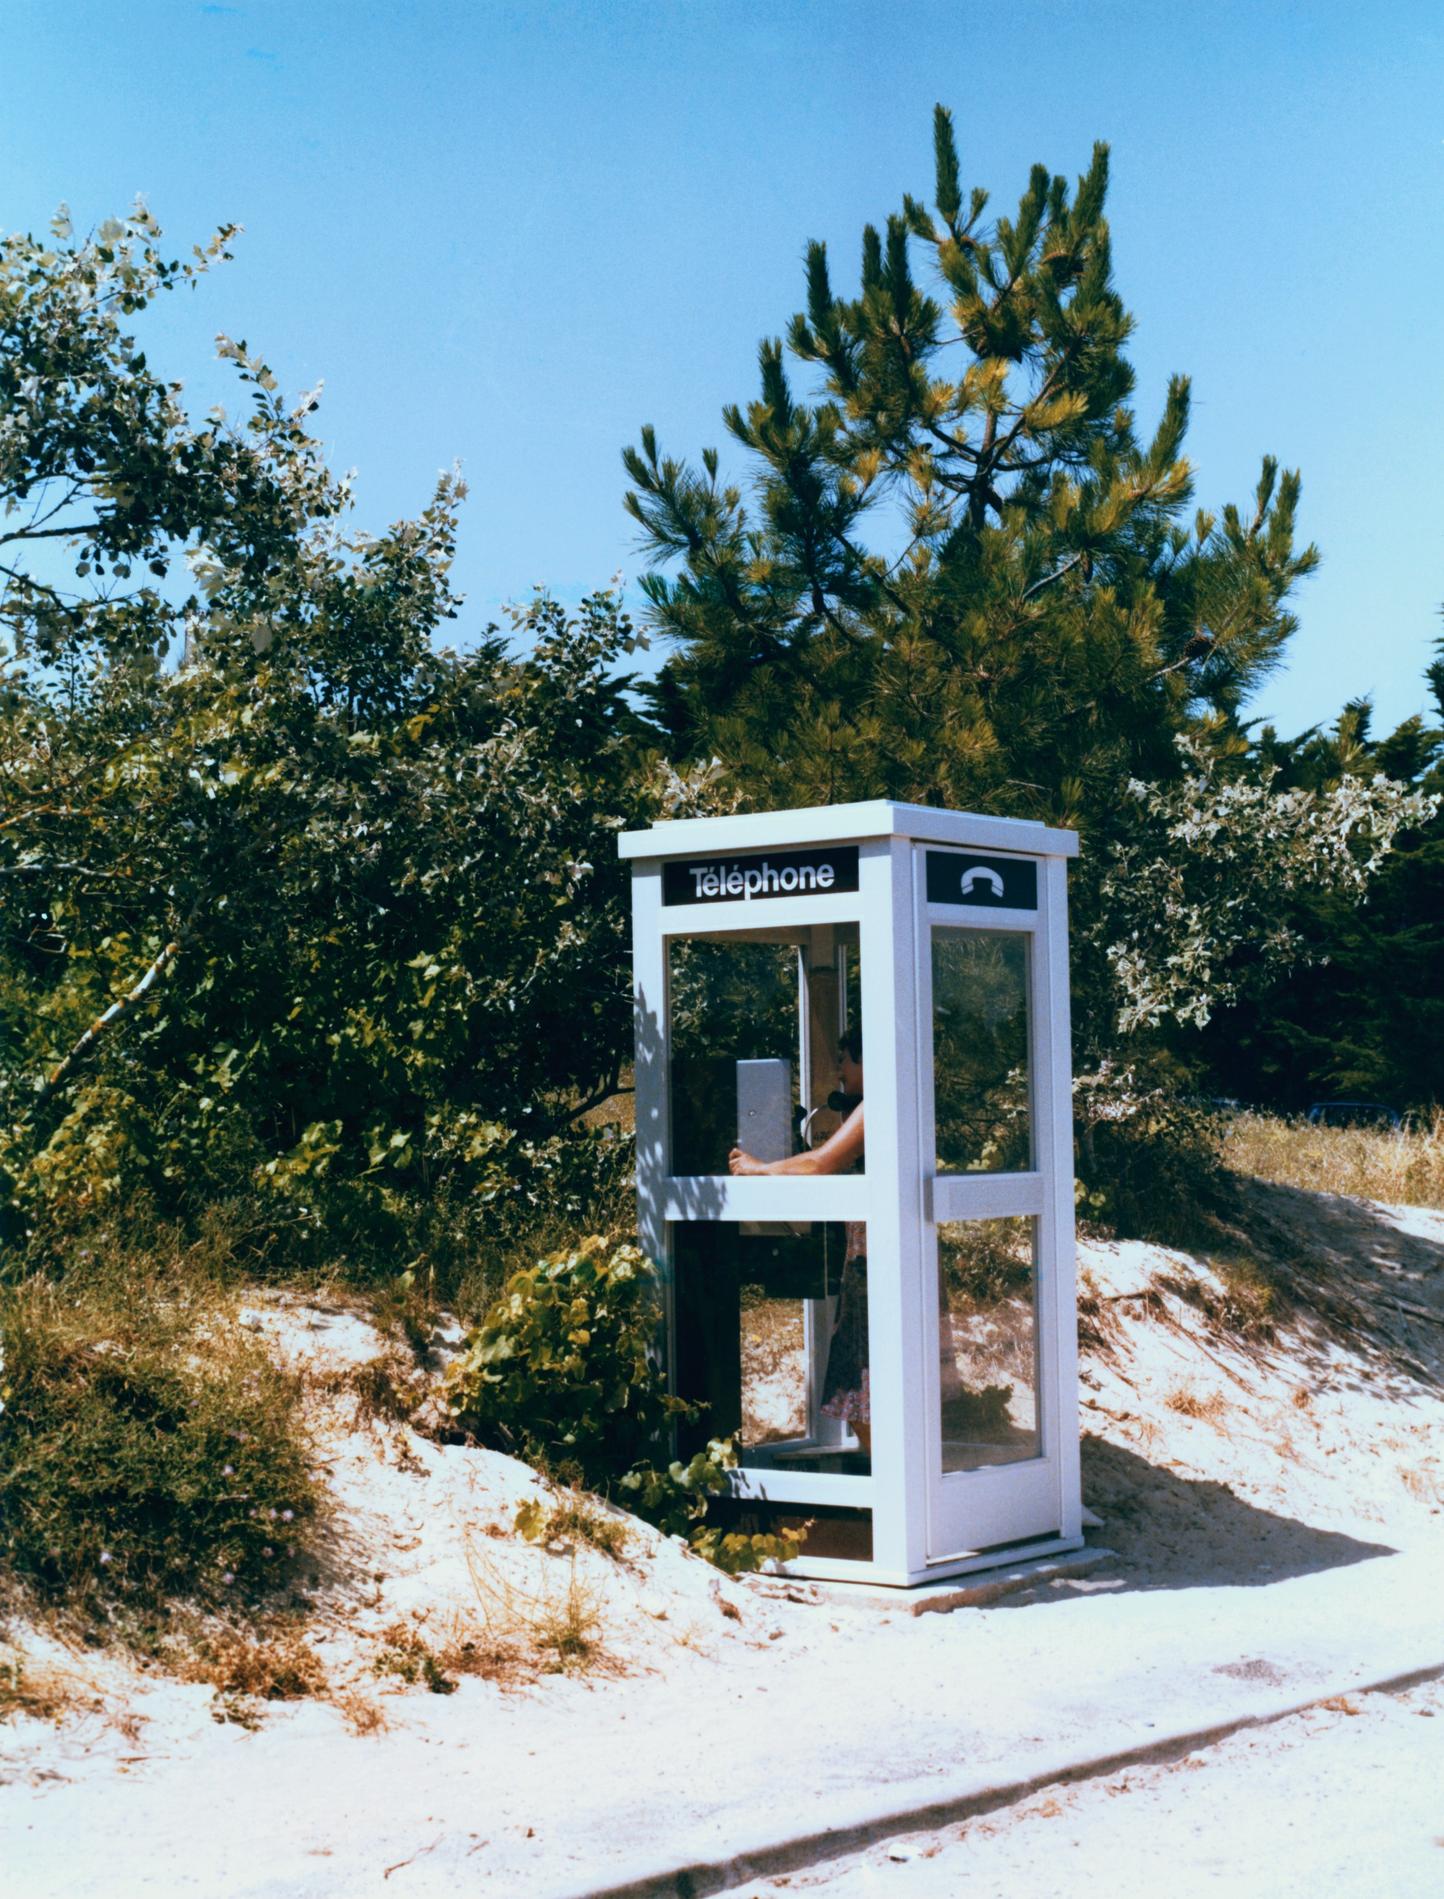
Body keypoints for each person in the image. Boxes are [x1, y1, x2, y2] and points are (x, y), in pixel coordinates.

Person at [729, 1028, 871, 1446]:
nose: (839, 1072)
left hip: (876, 1262)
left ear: (866, 1061)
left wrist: (759, 1168)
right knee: (861, 1387)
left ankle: (887, 1486)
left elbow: (820, 1164)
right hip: (867, 1258)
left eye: (844, 1060)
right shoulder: (866, 1108)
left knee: (861, 1385)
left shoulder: (878, 1105)